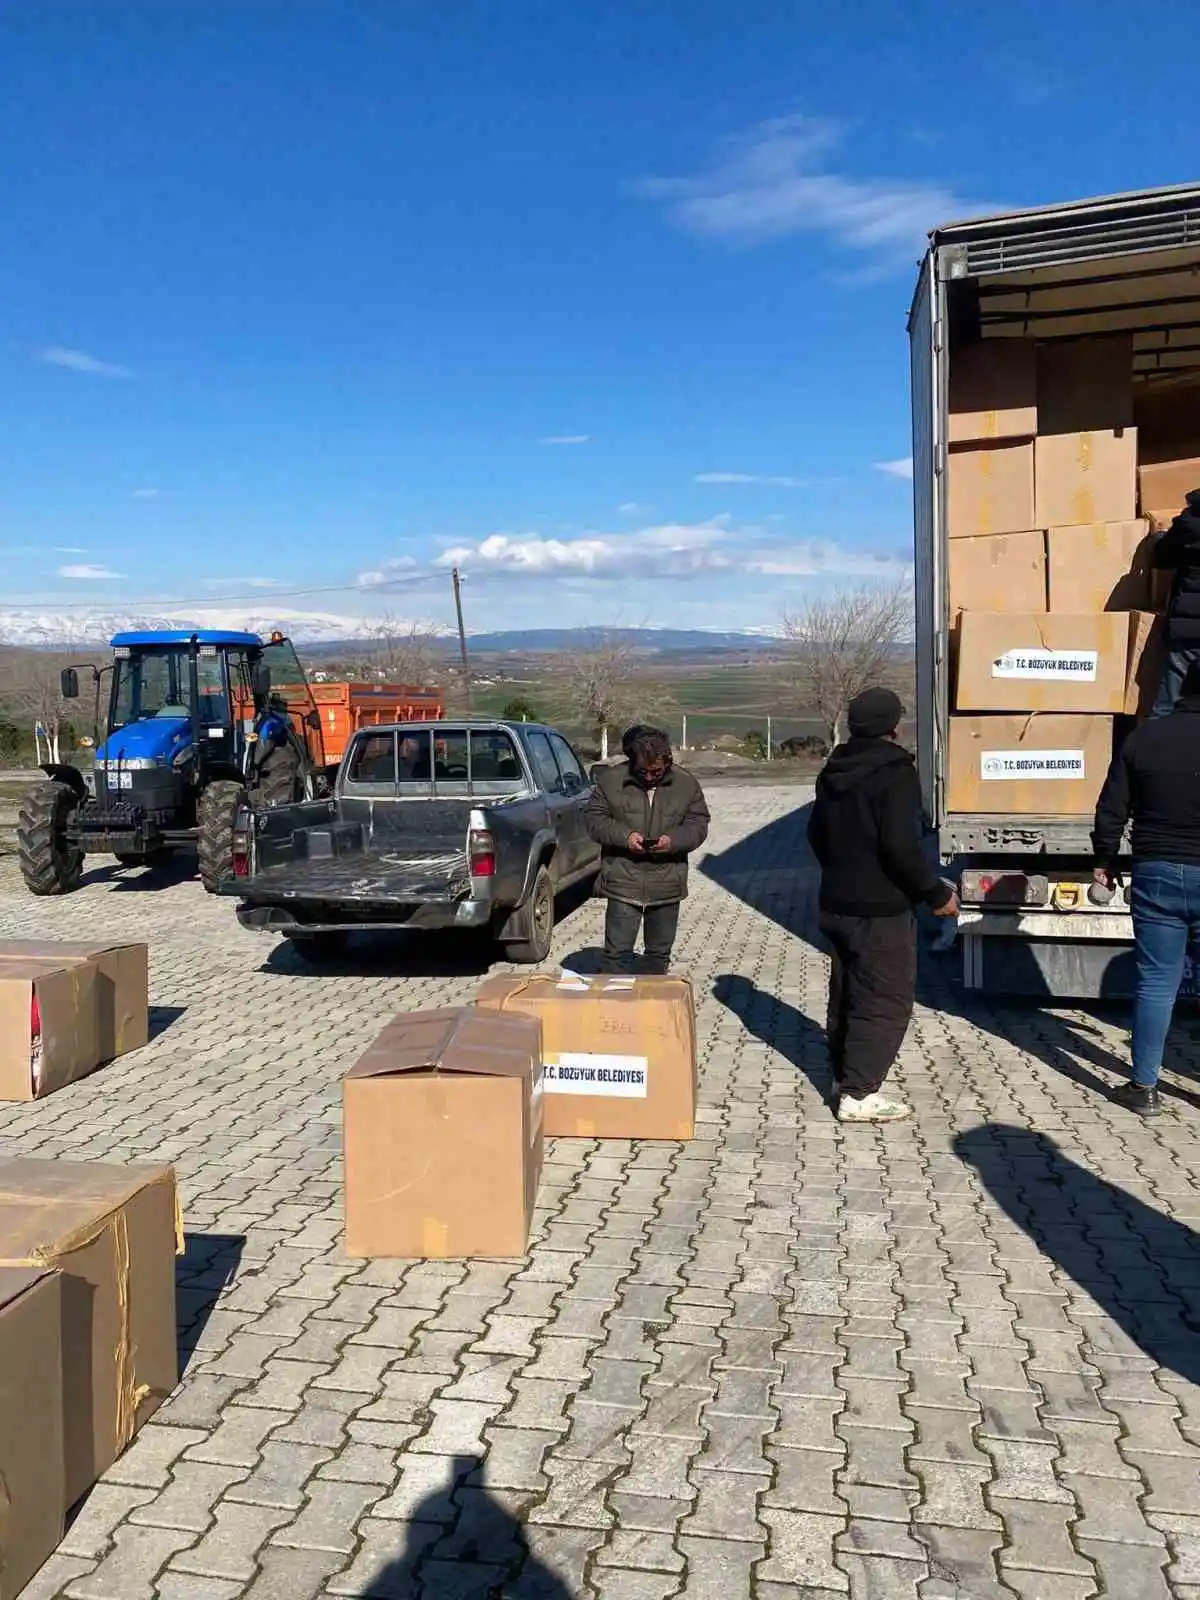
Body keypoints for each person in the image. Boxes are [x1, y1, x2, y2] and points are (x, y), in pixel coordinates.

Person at [807, 687, 959, 1123]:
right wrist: (935, 894)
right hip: (880, 909)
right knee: (884, 999)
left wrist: (841, 871)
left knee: (846, 993)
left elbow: (816, 833)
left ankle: (843, 1076)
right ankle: (859, 1093)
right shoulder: (895, 773)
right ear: (892, 726)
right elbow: (900, 847)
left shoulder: (832, 769)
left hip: (835, 902)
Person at [1092, 659, 1200, 1116]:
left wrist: (1104, 859)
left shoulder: (1146, 738)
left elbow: (1112, 806)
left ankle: (1145, 1088)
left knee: (1156, 982)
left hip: (1155, 869)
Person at [584, 726, 710, 974]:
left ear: (668, 761)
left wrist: (673, 840)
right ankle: (614, 1009)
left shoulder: (686, 784)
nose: (650, 776)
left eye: (657, 771)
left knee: (658, 957)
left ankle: (652, 1007)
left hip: (667, 880)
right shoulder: (610, 781)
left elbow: (698, 824)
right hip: (623, 879)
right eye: (644, 771)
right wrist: (625, 837)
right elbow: (594, 820)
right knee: (616, 957)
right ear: (631, 761)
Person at [1150, 489, 1200, 716]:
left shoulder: (1192, 521)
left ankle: (1154, 749)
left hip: (1188, 635)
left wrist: (1158, 538)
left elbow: (1161, 557)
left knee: (1167, 709)